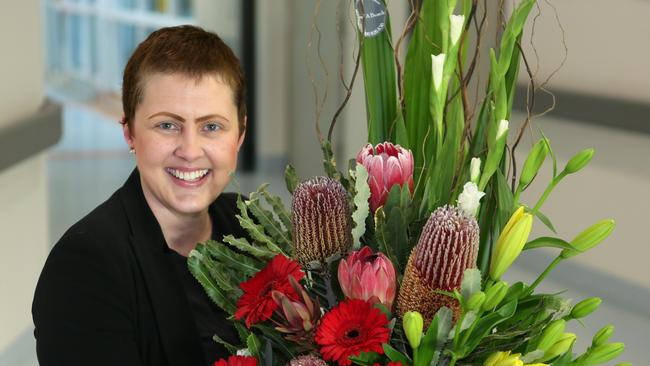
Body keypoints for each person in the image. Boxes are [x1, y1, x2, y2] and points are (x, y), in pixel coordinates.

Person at [32, 25, 248, 366]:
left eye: (211, 127)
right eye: (167, 125)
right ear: (130, 132)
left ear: (239, 136)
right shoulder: (84, 269)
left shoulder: (249, 227)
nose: (190, 151)